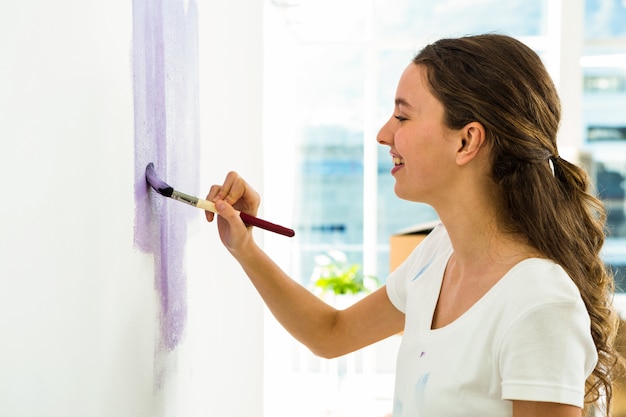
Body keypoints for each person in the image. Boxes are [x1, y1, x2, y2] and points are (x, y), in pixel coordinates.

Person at [205, 34, 622, 417]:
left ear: (466, 141)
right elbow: (330, 334)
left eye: (402, 117)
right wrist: (245, 247)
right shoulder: (438, 254)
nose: (384, 134)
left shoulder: (539, 303)